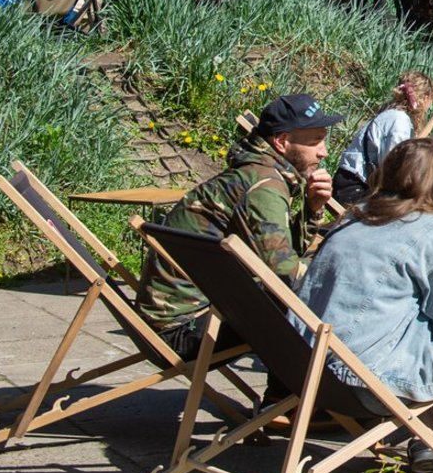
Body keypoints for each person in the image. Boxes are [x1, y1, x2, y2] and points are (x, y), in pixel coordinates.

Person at [296, 137, 433, 473]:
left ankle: (424, 434)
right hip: (365, 381)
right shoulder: (431, 228)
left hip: (306, 370)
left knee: (414, 318)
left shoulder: (352, 218)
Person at [136, 93, 342, 360]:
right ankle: (284, 398)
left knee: (306, 287)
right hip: (182, 332)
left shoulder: (257, 173)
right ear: (282, 141)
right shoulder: (264, 186)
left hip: (169, 322)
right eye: (315, 141)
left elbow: (285, 255)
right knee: (309, 301)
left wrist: (312, 208)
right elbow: (285, 275)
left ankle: (287, 397)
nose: (324, 151)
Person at [332, 71, 433, 205]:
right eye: (430, 101)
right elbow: (395, 166)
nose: (429, 106)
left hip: (354, 183)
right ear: (424, 98)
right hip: (353, 187)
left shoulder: (393, 115)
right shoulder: (399, 120)